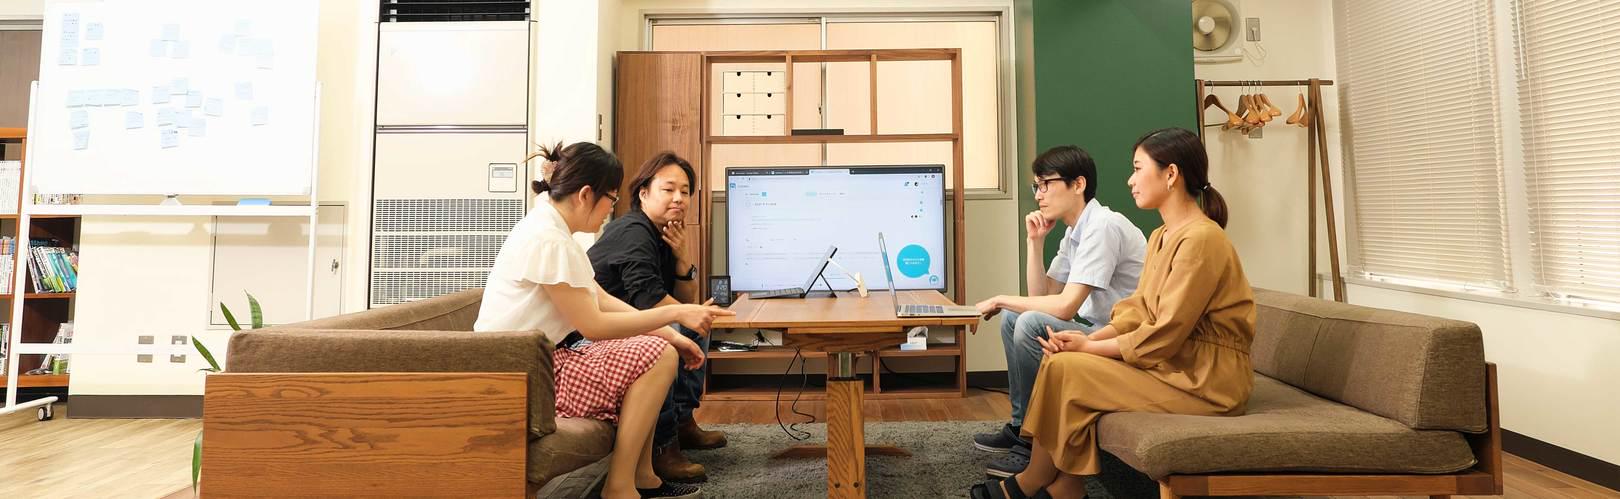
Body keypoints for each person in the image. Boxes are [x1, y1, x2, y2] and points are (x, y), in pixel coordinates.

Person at [970, 128, 1256, 499]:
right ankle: (1066, 485)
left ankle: (1031, 482)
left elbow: (1165, 331)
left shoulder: (1202, 239)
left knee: (1068, 366)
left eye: (1137, 169)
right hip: (1173, 367)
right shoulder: (1162, 236)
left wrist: (1088, 346)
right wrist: (1083, 340)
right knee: (1060, 363)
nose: (1130, 180)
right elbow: (1136, 311)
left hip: (1207, 383)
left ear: (1171, 174)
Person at [473, 141, 733, 499]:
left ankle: (643, 477)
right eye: (611, 198)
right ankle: (621, 487)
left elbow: (601, 298)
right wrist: (674, 315)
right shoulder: (551, 241)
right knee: (656, 355)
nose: (612, 208)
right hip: (528, 377)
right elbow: (594, 325)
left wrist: (671, 333)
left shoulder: (551, 230)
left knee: (659, 347)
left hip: (539, 361)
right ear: (585, 195)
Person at [970, 146, 1146, 478]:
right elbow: (1042, 296)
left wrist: (999, 298)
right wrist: (1035, 242)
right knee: (1014, 319)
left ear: (1078, 184)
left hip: (1121, 339)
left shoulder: (1103, 226)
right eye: (1036, 186)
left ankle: (1034, 441)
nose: (1039, 194)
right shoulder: (1074, 232)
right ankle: (1021, 426)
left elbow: (1066, 306)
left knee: (1025, 319)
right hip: (1099, 330)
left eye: (1046, 184)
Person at [587, 151, 725, 483]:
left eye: (685, 191)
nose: (679, 198)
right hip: (600, 332)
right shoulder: (634, 232)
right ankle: (662, 444)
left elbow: (685, 298)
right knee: (680, 326)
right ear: (644, 193)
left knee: (695, 325)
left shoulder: (664, 232)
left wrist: (684, 257)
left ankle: (682, 421)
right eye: (668, 189)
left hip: (631, 321)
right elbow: (649, 302)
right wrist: (688, 314)